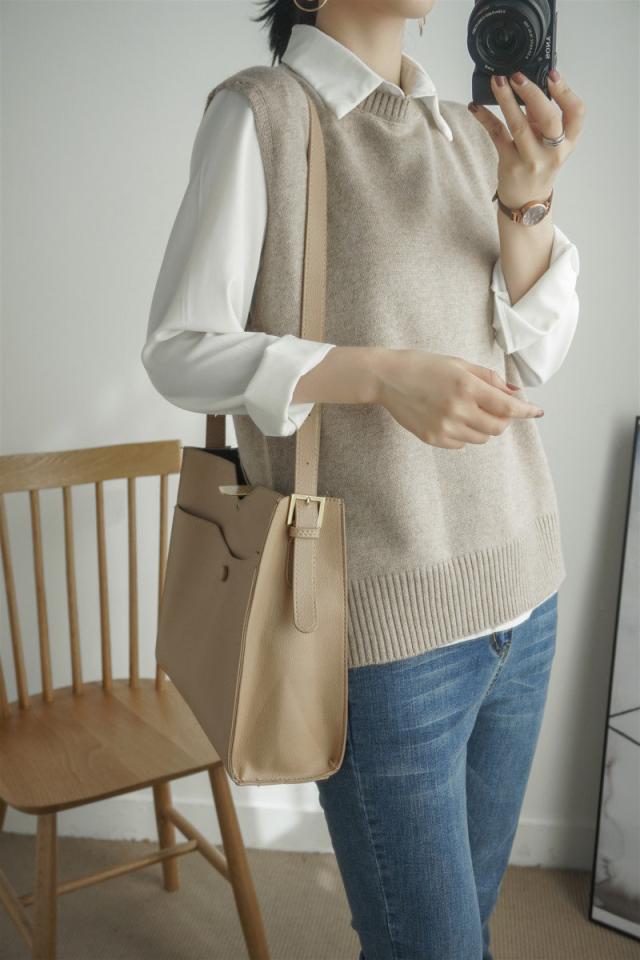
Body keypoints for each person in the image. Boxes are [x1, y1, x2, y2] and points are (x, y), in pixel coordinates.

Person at [141, 2, 584, 957]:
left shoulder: (467, 130)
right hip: (388, 632)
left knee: (463, 928)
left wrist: (529, 199)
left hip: (525, 595)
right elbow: (179, 350)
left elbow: (533, 356)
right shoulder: (265, 114)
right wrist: (378, 375)